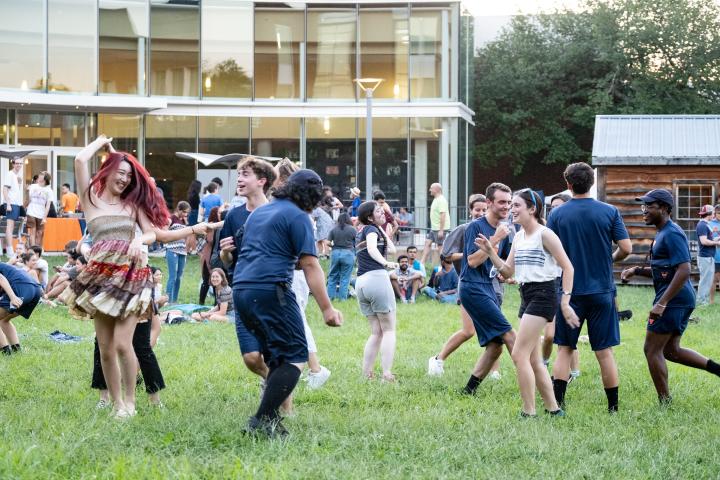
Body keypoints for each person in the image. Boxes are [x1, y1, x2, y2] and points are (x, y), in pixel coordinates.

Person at [59, 135, 214, 419]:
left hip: (131, 277)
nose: (123, 180)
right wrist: (103, 143)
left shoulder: (132, 205)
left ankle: (130, 402)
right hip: (100, 277)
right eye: (119, 173)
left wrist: (187, 231)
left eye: (128, 176)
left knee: (122, 344)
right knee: (105, 349)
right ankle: (118, 404)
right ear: (106, 172)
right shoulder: (90, 200)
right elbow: (80, 160)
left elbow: (159, 234)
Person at [233, 169, 342, 437]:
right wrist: (327, 308)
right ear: (311, 196)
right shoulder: (298, 216)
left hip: (241, 290)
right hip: (272, 289)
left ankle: (270, 420)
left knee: (275, 355)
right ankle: (261, 419)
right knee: (295, 356)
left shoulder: (260, 211)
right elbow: (309, 264)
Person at [477, 188, 575, 417]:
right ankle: (554, 409)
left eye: (517, 205)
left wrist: (566, 300)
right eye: (511, 206)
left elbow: (568, 267)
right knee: (532, 358)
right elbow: (508, 269)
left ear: (532, 209)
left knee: (518, 354)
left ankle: (528, 412)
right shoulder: (519, 236)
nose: (512, 210)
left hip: (544, 294)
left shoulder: (545, 234)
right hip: (527, 293)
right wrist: (491, 251)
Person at [621, 189, 720, 404]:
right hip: (679, 298)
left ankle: (665, 402)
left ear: (664, 208)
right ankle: (718, 370)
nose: (644, 210)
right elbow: (664, 270)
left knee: (651, 349)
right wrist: (637, 270)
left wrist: (662, 303)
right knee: (671, 351)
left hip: (674, 300)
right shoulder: (663, 232)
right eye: (643, 206)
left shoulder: (672, 233)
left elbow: (684, 270)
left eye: (649, 206)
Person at [547, 162, 631, 413]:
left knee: (564, 349)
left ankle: (558, 404)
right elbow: (626, 248)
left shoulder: (557, 215)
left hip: (570, 292)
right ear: (592, 183)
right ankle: (613, 408)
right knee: (604, 351)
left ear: (568, 185)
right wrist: (609, 258)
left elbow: (549, 249)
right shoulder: (609, 211)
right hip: (602, 291)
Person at [428, 193, 500, 379]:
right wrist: (470, 254)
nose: (481, 213)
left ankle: (495, 372)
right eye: (477, 210)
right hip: (469, 284)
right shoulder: (464, 230)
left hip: (492, 285)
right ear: (470, 211)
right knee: (469, 331)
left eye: (484, 209)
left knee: (496, 330)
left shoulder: (496, 230)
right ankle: (437, 358)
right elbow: (447, 256)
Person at [456, 183, 516, 396]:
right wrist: (495, 239)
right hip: (472, 288)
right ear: (489, 203)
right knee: (510, 336)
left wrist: (506, 275)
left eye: (509, 202)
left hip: (490, 287)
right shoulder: (476, 226)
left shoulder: (508, 230)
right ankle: (537, 382)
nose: (506, 206)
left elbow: (502, 265)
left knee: (495, 345)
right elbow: (472, 261)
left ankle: (468, 391)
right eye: (501, 202)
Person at [355, 200, 399, 381]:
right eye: (379, 212)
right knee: (388, 330)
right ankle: (387, 373)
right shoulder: (371, 230)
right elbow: (373, 249)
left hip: (361, 282)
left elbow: (393, 249)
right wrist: (385, 263)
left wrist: (385, 232)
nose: (383, 214)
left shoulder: (366, 231)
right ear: (369, 217)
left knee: (376, 331)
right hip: (377, 279)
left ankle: (367, 374)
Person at [541, 193, 580, 378]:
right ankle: (544, 363)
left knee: (567, 333)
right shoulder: (546, 231)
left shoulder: (571, 231)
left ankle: (573, 372)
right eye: (552, 207)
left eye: (558, 207)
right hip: (549, 283)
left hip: (567, 283)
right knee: (549, 335)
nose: (554, 211)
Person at [0, 261, 42, 355]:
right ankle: (17, 350)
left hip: (21, 287)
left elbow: (1, 278)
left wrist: (12, 297)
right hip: (35, 290)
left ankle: (6, 353)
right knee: (3, 320)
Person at [165, 201, 191, 304]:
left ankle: (174, 301)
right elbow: (164, 232)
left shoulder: (184, 221)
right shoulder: (171, 219)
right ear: (178, 209)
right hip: (172, 249)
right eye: (184, 212)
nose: (185, 214)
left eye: (187, 213)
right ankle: (168, 300)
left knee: (179, 277)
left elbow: (187, 234)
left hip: (182, 251)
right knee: (173, 276)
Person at [326, 213, 356, 300]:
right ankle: (342, 299)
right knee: (345, 277)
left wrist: (334, 246)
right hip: (348, 253)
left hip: (335, 253)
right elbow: (357, 242)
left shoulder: (334, 229)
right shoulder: (352, 230)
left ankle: (330, 297)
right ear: (348, 220)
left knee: (332, 276)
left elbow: (327, 242)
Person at [420, 183, 449, 265]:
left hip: (439, 229)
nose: (429, 190)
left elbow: (443, 215)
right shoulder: (436, 199)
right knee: (427, 243)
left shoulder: (441, 200)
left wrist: (441, 230)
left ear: (436, 190)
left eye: (431, 188)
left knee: (440, 248)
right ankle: (422, 263)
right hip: (434, 228)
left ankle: (445, 265)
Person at [695, 204, 718, 306]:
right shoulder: (702, 225)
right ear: (709, 214)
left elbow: (710, 239)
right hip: (705, 257)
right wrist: (717, 243)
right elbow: (704, 241)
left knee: (708, 281)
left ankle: (703, 301)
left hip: (709, 256)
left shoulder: (706, 224)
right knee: (705, 281)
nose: (714, 214)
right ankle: (701, 302)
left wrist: (717, 239)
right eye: (713, 213)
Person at [199, 206, 221, 304]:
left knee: (217, 280)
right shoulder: (211, 226)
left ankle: (217, 303)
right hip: (208, 256)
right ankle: (201, 302)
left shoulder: (220, 226)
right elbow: (210, 239)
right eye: (219, 213)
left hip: (215, 256)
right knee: (206, 281)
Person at [3, 157, 23, 258]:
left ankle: (10, 250)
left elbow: (15, 191)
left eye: (20, 163)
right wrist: (8, 204)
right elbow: (5, 189)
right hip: (11, 204)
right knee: (9, 227)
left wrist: (19, 183)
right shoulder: (10, 174)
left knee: (12, 227)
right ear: (13, 164)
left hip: (16, 203)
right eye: (17, 163)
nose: (19, 165)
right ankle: (9, 251)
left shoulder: (16, 176)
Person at [25, 171, 52, 248]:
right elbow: (28, 199)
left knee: (39, 233)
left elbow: (48, 205)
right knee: (32, 232)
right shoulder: (33, 186)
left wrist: (44, 217)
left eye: (42, 175)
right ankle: (33, 251)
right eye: (40, 174)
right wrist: (27, 191)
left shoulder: (49, 190)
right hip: (31, 212)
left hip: (41, 213)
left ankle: (37, 250)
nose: (39, 176)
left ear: (45, 178)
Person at [710, 205, 720, 304]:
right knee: (714, 279)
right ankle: (711, 301)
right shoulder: (710, 224)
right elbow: (707, 239)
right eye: (719, 213)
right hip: (715, 256)